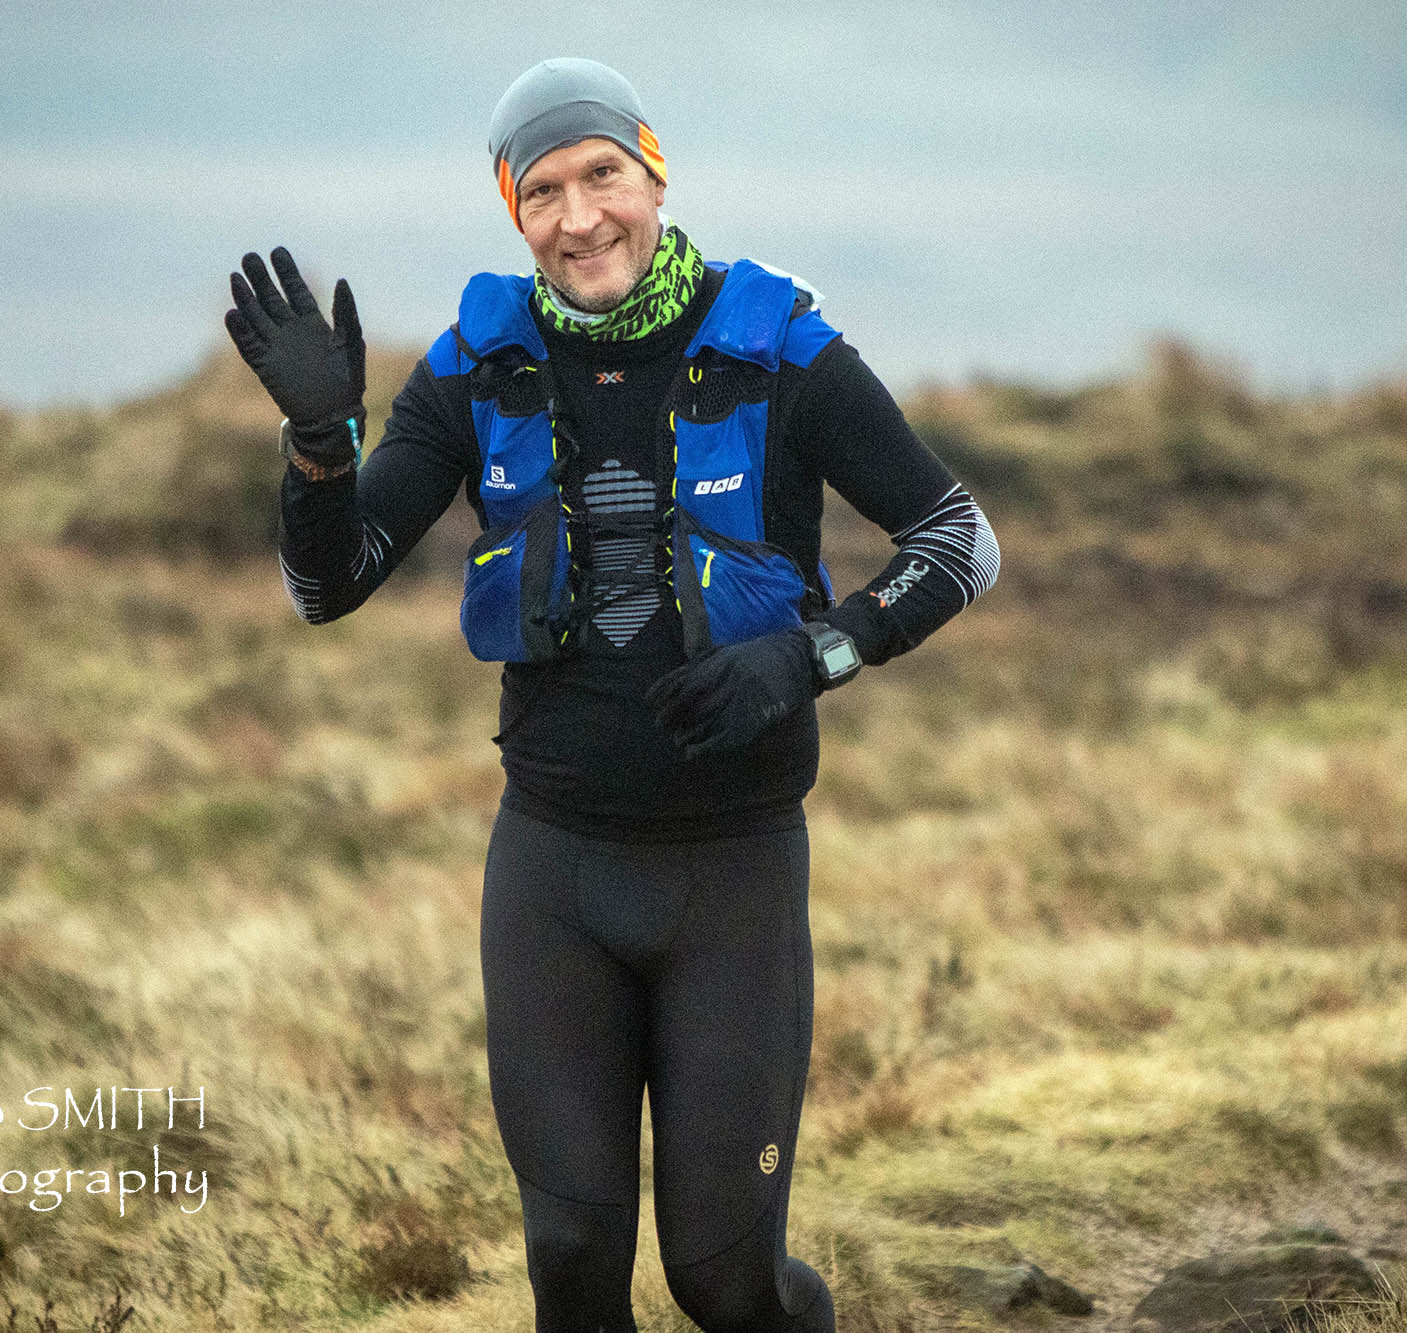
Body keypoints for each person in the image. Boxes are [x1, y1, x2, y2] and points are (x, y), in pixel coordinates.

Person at [224, 57, 1000, 1333]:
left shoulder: (782, 349)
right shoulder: (479, 368)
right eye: (542, 191)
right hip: (553, 872)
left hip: (732, 875)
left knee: (722, 1280)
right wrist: (320, 448)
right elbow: (328, 584)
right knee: (572, 1257)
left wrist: (813, 654)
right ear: (510, 213)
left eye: (603, 176)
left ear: (652, 175)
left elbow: (957, 538)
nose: (579, 216)